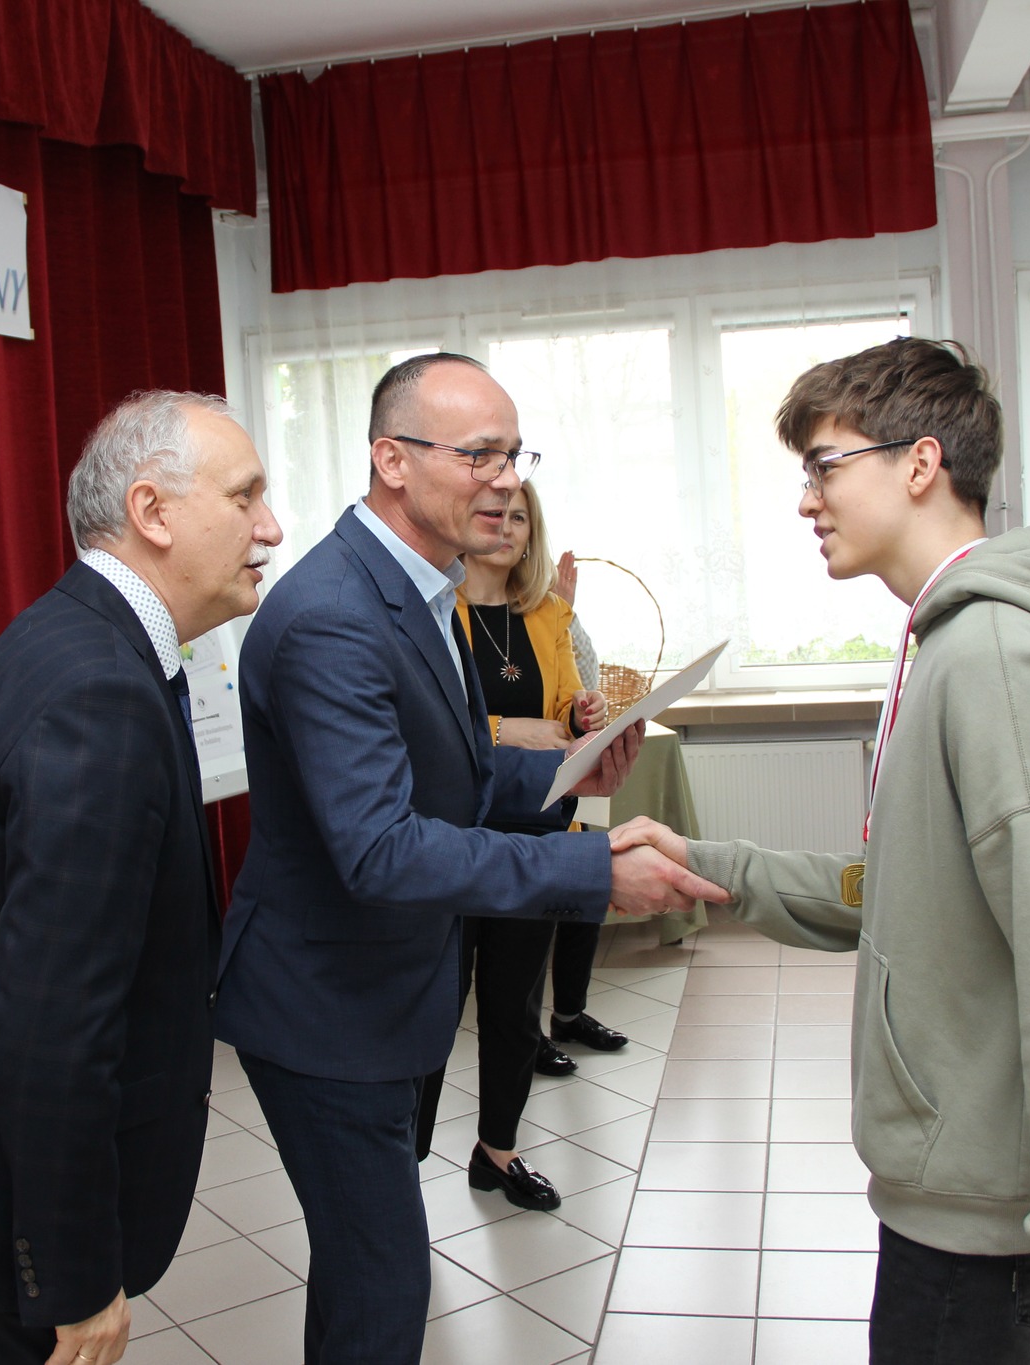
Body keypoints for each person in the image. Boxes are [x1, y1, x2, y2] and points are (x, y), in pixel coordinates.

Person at [612, 338, 1030, 1365]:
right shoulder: (946, 640)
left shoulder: (994, 657)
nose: (805, 500)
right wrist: (708, 862)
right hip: (947, 1190)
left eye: (824, 466)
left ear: (919, 463)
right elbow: (901, 892)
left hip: (980, 1218)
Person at [214, 351, 724, 1365]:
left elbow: (452, 775)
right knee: (383, 1281)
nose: (504, 480)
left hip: (391, 987)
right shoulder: (332, 615)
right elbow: (380, 848)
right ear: (391, 460)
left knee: (368, 1270)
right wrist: (591, 872)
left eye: (514, 454)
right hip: (325, 1008)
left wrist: (565, 777)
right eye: (480, 454)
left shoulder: (421, 589)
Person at [0, 392, 282, 1365]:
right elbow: (54, 1027)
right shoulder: (98, 693)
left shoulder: (84, 642)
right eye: (245, 497)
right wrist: (73, 1278)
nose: (270, 527)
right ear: (153, 513)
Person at [412, 482, 609, 1210]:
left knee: (515, 1004)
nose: (505, 527)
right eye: (493, 514)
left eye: (519, 517)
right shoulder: (436, 612)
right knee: (436, 1003)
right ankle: (402, 1160)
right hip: (454, 834)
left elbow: (565, 715)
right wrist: (511, 731)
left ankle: (497, 1150)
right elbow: (434, 727)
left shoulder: (551, 614)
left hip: (535, 827)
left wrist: (579, 714)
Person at [537, 547, 630, 1077]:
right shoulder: (467, 605)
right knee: (527, 922)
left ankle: (569, 1015)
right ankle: (525, 1034)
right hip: (518, 783)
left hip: (569, 775)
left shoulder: (550, 608)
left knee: (583, 901)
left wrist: (565, 609)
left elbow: (587, 685)